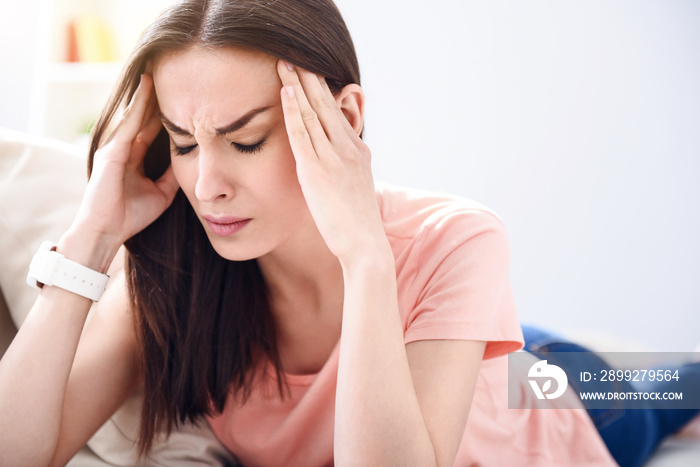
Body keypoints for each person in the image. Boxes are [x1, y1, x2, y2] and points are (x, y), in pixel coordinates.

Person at [0, 1, 697, 466]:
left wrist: (365, 254)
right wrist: (91, 236)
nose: (206, 183)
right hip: (464, 342)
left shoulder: (457, 235)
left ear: (346, 115)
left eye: (244, 141)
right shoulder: (176, 267)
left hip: (539, 397)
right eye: (184, 142)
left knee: (673, 386)